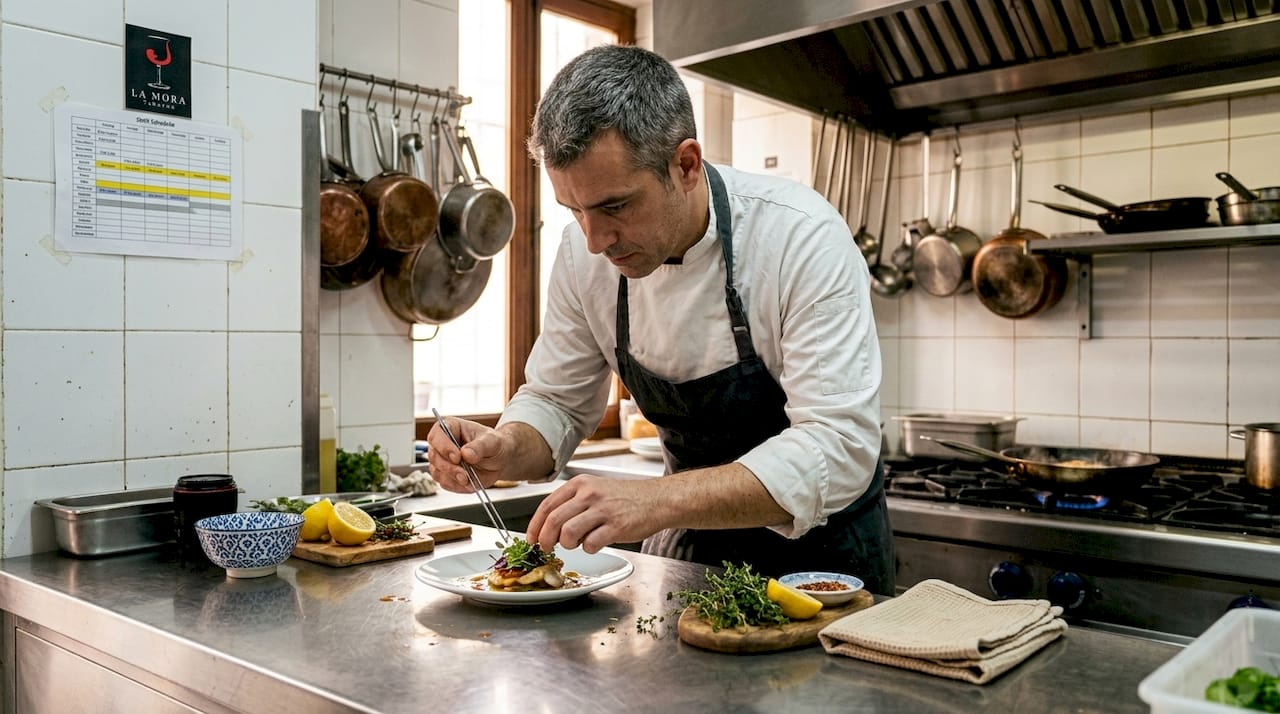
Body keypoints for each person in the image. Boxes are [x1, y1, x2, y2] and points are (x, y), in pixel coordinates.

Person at [427, 44, 893, 593]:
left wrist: (655, 500)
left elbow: (837, 446)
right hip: (689, 561)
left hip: (823, 567)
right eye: (574, 210)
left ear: (686, 165)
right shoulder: (582, 255)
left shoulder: (800, 237)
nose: (595, 240)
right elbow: (557, 402)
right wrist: (505, 448)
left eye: (615, 206)